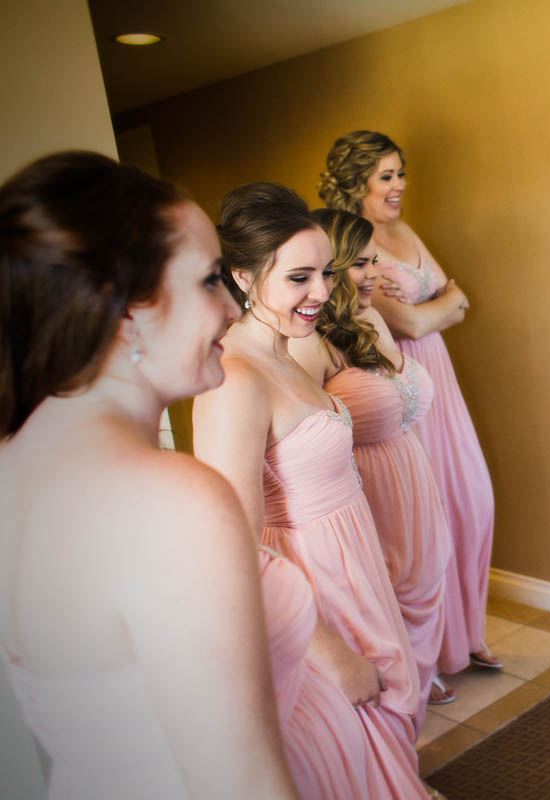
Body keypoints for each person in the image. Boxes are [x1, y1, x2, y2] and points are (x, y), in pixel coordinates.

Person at [0, 151, 299, 798]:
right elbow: (241, 784)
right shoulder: (174, 500)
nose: (233, 308)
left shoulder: (14, 464)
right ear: (126, 310)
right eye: (210, 280)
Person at [191, 183, 428, 799]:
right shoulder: (234, 380)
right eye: (299, 277)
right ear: (243, 277)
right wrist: (327, 651)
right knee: (359, 741)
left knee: (392, 724)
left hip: (354, 566)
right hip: (314, 586)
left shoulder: (287, 354)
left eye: (325, 272)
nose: (321, 291)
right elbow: (235, 547)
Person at [320, 131, 496, 674]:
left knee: (472, 502)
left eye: (401, 173)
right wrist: (438, 306)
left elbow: (458, 301)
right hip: (397, 383)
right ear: (357, 183)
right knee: (427, 520)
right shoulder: (350, 246)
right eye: (387, 176)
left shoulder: (403, 230)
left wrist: (436, 308)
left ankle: (468, 633)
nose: (400, 185)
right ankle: (435, 654)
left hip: (439, 379)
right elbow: (416, 321)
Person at [293, 208, 456, 722]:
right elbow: (301, 441)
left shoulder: (372, 320)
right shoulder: (309, 344)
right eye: (360, 264)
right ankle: (400, 719)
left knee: (427, 580)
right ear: (331, 268)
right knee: (386, 608)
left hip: (411, 474)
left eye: (375, 261)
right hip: (368, 491)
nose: (374, 274)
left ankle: (420, 689)